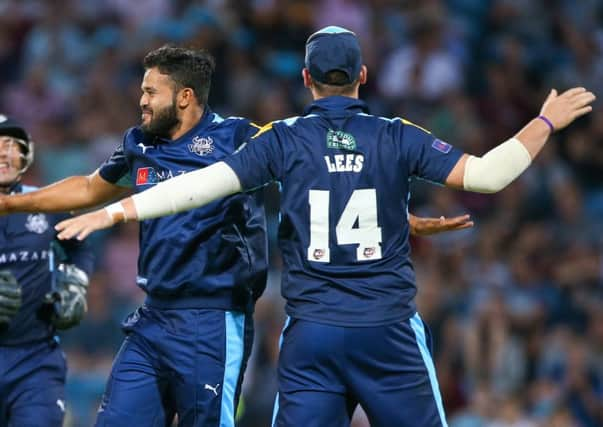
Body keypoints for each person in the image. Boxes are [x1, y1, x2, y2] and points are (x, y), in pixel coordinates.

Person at [57, 26, 596, 427]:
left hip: (311, 335)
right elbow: (488, 175)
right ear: (363, 75)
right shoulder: (395, 134)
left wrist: (116, 211)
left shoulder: (283, 138)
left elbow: (196, 187)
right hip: (387, 334)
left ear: (306, 78)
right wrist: (544, 121)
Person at [0, 45, 468, 427]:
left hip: (213, 319)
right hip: (152, 318)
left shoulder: (240, 138)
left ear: (184, 97)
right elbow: (87, 189)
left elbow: (321, 182)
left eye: (149, 92)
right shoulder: (139, 144)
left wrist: (395, 219)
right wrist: (11, 202)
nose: (140, 100)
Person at [0, 116, 94, 427]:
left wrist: (76, 281)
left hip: (36, 361)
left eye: (12, 145)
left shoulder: (45, 201)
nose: (5, 153)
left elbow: (80, 245)